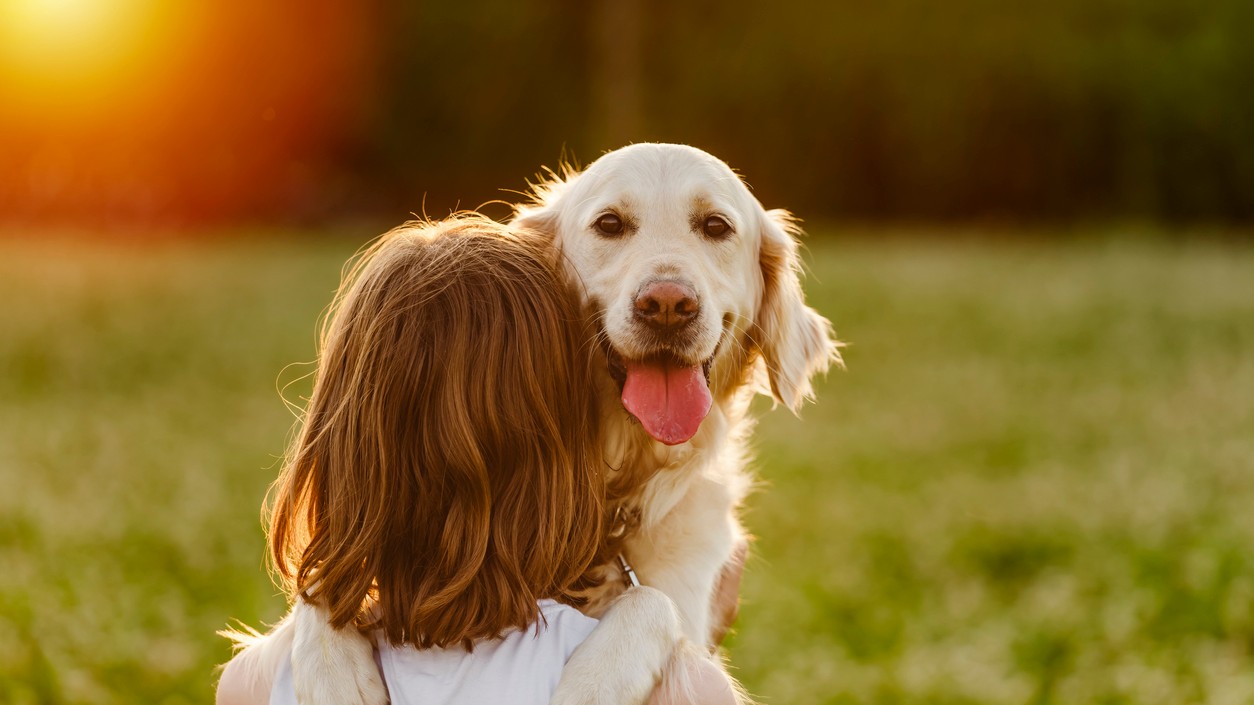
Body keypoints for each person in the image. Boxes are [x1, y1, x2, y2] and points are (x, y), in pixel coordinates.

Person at [216, 216, 739, 705]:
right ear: (560, 445)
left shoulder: (252, 682)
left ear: (338, 449)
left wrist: (325, 598)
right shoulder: (684, 687)